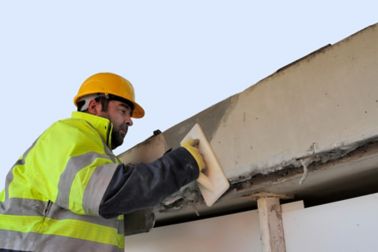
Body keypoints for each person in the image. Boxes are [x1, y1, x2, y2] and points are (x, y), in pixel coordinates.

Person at [0, 72, 205, 252]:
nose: (129, 121)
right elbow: (109, 194)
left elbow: (108, 213)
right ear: (94, 106)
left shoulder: (97, 155)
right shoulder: (67, 135)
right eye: (123, 110)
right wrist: (182, 163)